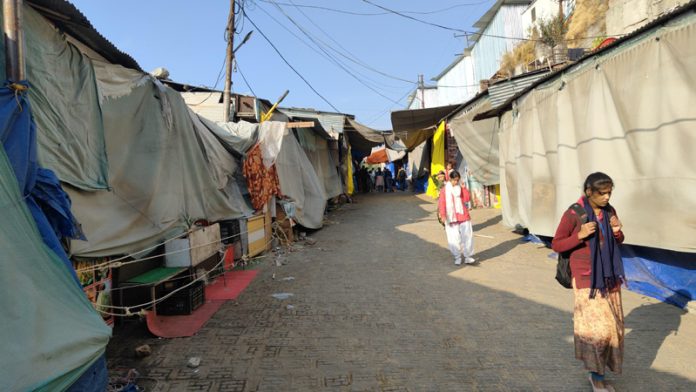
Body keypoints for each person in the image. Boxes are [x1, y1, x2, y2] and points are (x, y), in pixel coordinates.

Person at [552, 172, 625, 392]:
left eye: (609, 192)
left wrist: (617, 230)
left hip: (610, 278)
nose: (606, 197)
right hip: (586, 280)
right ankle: (596, 378)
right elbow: (557, 244)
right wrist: (579, 236)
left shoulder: (609, 211)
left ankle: (598, 373)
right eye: (602, 193)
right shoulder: (574, 214)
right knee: (599, 332)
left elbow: (618, 240)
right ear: (588, 192)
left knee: (614, 331)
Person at [438, 170, 475, 265]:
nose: (455, 182)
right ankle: (457, 257)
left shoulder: (460, 188)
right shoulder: (444, 190)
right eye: (454, 180)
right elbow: (442, 203)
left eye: (457, 180)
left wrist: (464, 188)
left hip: (463, 216)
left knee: (467, 236)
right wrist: (442, 215)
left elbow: (466, 199)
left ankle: (468, 257)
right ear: (450, 179)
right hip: (451, 217)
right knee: (453, 239)